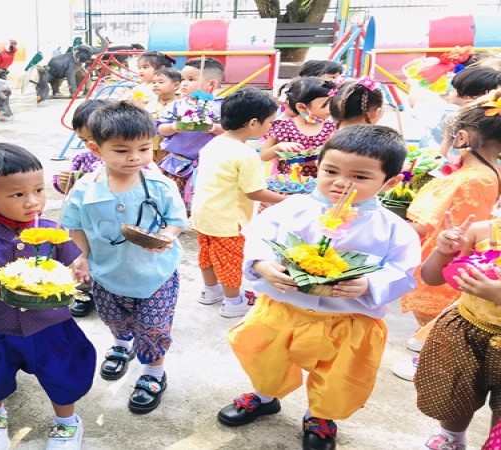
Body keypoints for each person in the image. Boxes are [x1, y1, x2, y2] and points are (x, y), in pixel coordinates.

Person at [217, 125, 420, 450]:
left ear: (390, 181)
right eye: (331, 171)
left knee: (338, 376)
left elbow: (405, 269)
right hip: (283, 308)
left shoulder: (394, 230)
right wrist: (262, 264)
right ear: (320, 165)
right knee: (266, 358)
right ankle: (265, 395)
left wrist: (370, 282)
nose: (342, 182)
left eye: (360, 176)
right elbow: (259, 235)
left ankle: (320, 415)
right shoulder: (292, 208)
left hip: (348, 320)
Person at [0, 143, 95, 450]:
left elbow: (71, 265)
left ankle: (66, 421)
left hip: (50, 325)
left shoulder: (53, 231)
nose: (33, 201)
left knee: (62, 373)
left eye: (38, 189)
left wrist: (76, 271)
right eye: (17, 194)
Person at [63, 101, 187, 414]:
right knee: (115, 319)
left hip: (155, 276)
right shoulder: (85, 190)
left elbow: (176, 219)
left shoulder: (160, 186)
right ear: (96, 149)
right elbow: (76, 226)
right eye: (121, 150)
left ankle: (153, 373)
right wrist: (81, 257)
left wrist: (166, 237)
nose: (134, 158)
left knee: (154, 327)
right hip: (108, 275)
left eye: (144, 149)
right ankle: (122, 345)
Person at [394, 92, 501, 382]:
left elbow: (422, 224)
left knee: (437, 318)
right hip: (472, 255)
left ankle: (426, 362)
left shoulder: (463, 179)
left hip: (441, 254)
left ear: (461, 138)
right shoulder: (492, 173)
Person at [192, 88, 287, 317]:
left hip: (203, 214)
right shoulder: (245, 154)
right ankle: (233, 302)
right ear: (254, 123)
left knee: (206, 254)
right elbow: (255, 192)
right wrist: (286, 200)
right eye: (270, 122)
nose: (270, 127)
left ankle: (210, 290)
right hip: (227, 219)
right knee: (229, 261)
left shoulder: (214, 144)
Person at [414, 208, 501, 450]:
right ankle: (452, 437)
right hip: (466, 330)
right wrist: (444, 252)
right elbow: (433, 278)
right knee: (455, 392)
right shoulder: (482, 231)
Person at [52, 99, 110, 318]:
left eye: (93, 139)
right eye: (83, 139)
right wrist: (63, 182)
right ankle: (84, 294)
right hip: (83, 222)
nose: (89, 145)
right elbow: (67, 189)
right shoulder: (82, 158)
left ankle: (106, 292)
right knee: (80, 258)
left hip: (108, 221)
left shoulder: (123, 158)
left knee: (105, 258)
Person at [156, 56, 226, 209]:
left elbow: (230, 131)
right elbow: (161, 129)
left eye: (191, 79)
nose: (184, 83)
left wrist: (213, 128)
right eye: (183, 79)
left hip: (209, 165)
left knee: (205, 203)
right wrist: (174, 127)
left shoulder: (221, 107)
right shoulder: (176, 106)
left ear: (211, 84)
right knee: (170, 200)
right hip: (177, 164)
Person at [260, 76, 339, 178]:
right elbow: (264, 156)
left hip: (319, 184)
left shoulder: (331, 128)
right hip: (288, 185)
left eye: (331, 103)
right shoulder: (283, 126)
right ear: (301, 107)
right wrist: (278, 147)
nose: (331, 108)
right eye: (324, 105)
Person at [150, 67, 182, 163]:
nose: (156, 85)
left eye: (160, 82)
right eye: (154, 82)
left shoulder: (181, 104)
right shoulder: (148, 101)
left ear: (176, 85)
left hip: (171, 147)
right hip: (151, 145)